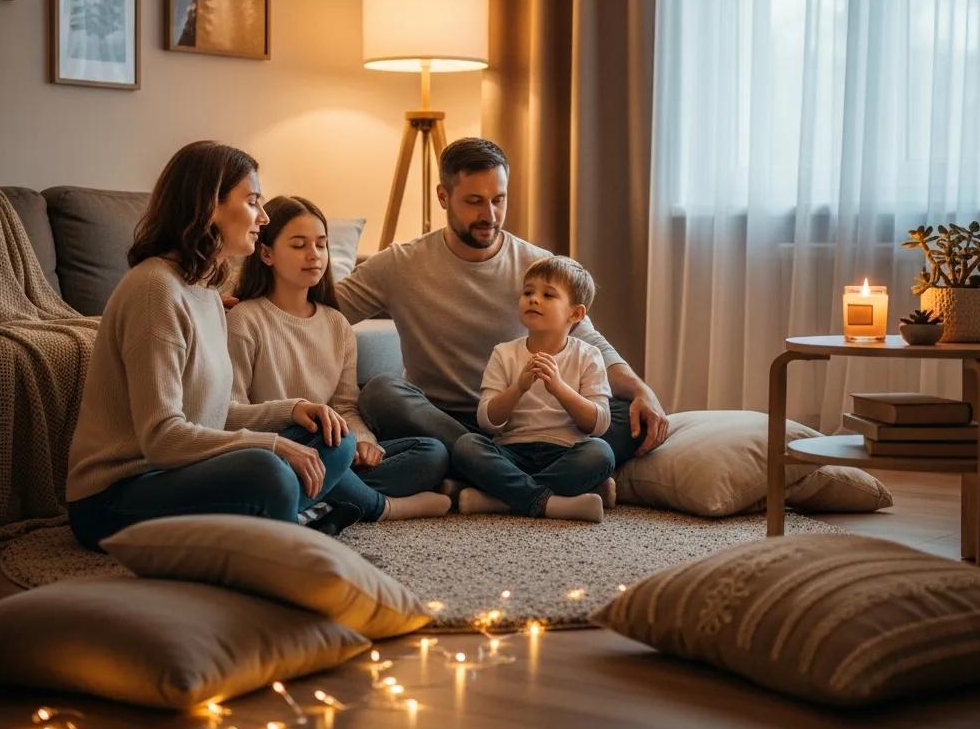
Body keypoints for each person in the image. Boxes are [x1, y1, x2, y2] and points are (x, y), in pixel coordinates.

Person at [67, 141, 359, 552]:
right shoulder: (155, 289)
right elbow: (162, 438)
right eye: (253, 202)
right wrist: (272, 443)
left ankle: (274, 520)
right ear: (208, 206)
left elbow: (212, 415)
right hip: (116, 496)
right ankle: (284, 520)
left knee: (334, 437)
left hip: (179, 473)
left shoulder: (205, 291)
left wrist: (292, 410)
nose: (264, 217)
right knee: (268, 471)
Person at [336, 137, 671, 468]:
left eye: (499, 200)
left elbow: (590, 340)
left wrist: (640, 389)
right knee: (380, 393)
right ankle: (507, 466)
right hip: (441, 417)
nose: (490, 215)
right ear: (443, 196)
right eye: (474, 201)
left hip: (526, 419)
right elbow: (324, 310)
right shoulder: (399, 264)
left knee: (630, 420)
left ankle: (484, 466)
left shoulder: (538, 266)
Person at [227, 195, 451, 523]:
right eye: (299, 245)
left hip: (333, 449)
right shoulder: (244, 320)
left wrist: (364, 441)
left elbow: (345, 405)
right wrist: (297, 422)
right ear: (266, 254)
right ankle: (379, 506)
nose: (314, 255)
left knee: (432, 453)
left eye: (321, 245)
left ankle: (320, 501)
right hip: (274, 451)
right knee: (321, 454)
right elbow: (230, 415)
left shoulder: (337, 324)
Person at [452, 255, 616, 523]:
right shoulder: (504, 353)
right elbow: (487, 420)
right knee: (466, 446)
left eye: (548, 295)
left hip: (564, 453)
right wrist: (519, 387)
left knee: (600, 453)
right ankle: (552, 501)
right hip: (512, 452)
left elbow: (598, 424)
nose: (534, 299)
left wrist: (559, 388)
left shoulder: (589, 356)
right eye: (528, 292)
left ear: (575, 314)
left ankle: (499, 500)